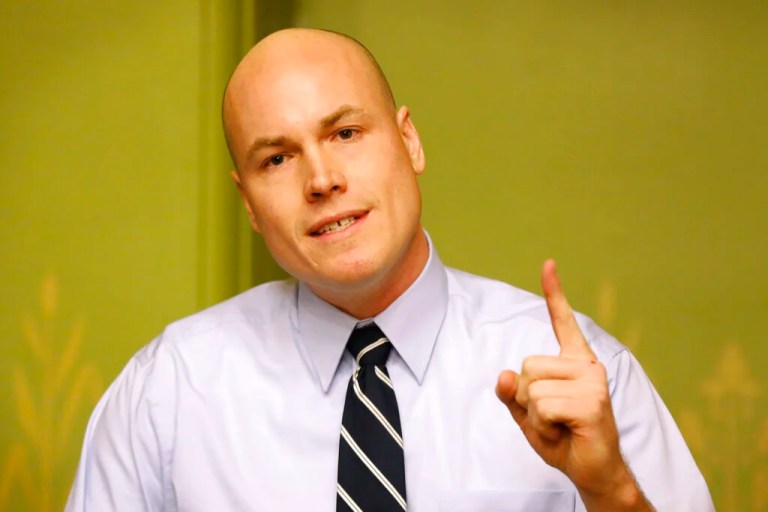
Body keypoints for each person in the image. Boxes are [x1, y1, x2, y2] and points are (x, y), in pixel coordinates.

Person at [66, 28, 713, 511]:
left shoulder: (580, 377)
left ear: (409, 141)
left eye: (345, 133)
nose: (322, 179)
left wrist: (613, 492)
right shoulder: (169, 393)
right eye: (277, 159)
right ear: (249, 204)